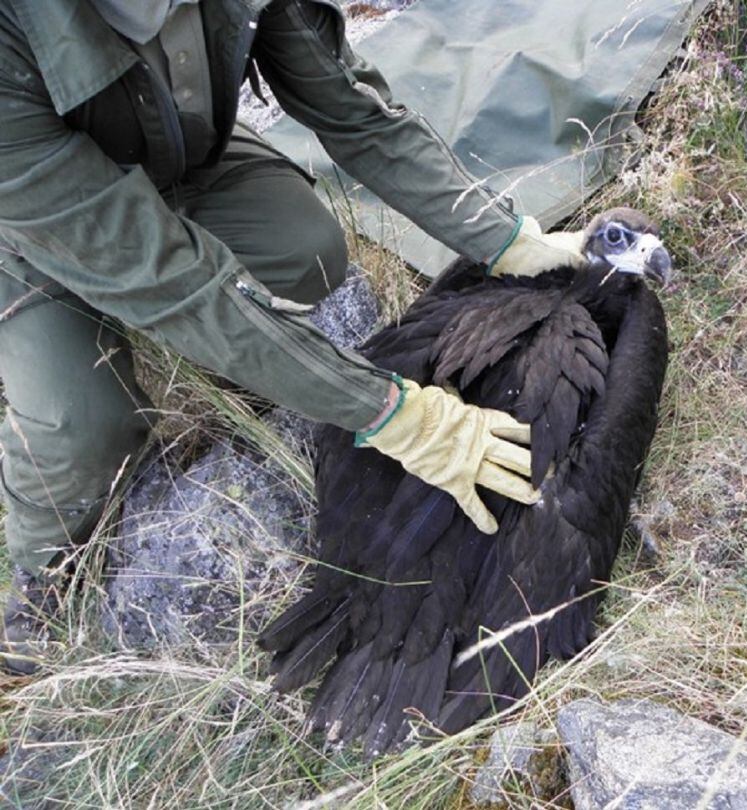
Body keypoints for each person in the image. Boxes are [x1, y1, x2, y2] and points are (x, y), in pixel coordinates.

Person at [0, 0, 586, 674]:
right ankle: (41, 589)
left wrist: (504, 240)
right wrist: (398, 416)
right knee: (82, 425)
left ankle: (247, 361)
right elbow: (173, 281)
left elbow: (354, 112)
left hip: (181, 157)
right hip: (31, 228)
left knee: (307, 254)